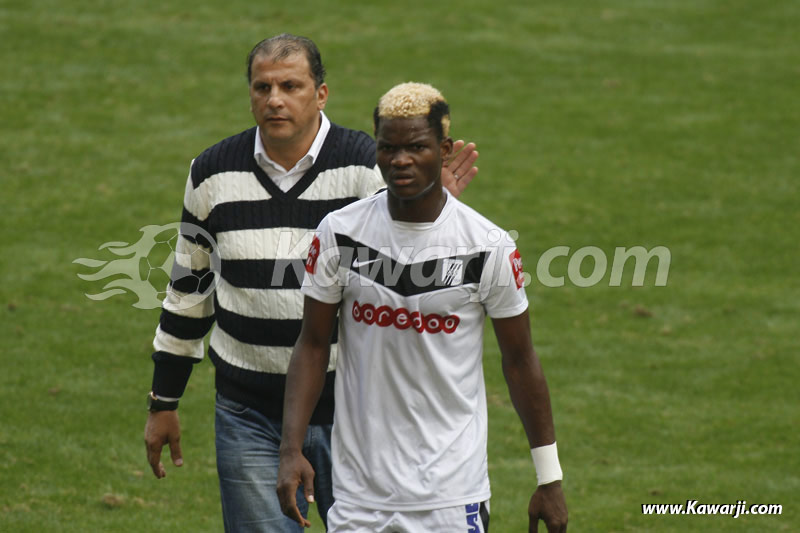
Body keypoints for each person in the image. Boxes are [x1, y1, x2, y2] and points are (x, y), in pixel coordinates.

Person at [142, 36, 479, 532]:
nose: (274, 99)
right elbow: (190, 293)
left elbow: (411, 287)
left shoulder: (368, 168)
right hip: (248, 413)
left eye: (290, 86)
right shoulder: (211, 172)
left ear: (321, 94)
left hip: (357, 416)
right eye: (262, 87)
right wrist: (164, 401)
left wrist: (433, 214)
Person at [277, 82, 568, 532]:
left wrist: (549, 478)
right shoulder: (340, 232)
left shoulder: (486, 245)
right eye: (388, 147)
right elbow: (313, 345)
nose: (400, 160)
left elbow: (520, 360)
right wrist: (290, 449)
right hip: (358, 496)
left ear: (444, 149)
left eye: (416, 147)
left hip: (451, 497)